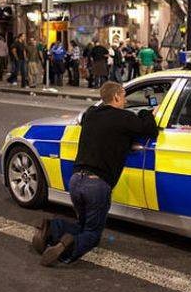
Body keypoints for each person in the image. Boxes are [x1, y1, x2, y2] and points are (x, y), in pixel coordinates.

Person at [31, 81, 159, 266]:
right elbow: (150, 130)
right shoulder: (125, 118)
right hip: (97, 185)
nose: (125, 101)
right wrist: (148, 113)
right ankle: (66, 249)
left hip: (76, 180)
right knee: (92, 234)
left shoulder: (91, 113)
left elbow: (91, 120)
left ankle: (52, 228)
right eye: (124, 96)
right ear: (116, 96)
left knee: (84, 226)